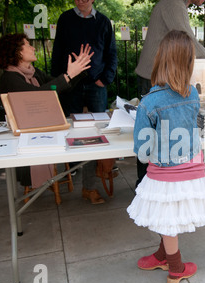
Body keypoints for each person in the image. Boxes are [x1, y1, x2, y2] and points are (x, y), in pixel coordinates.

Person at [127, 30, 205, 283]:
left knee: (166, 216)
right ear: (189, 62)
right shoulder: (192, 93)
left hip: (165, 172)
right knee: (167, 214)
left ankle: (176, 267)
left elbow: (143, 150)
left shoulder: (149, 102)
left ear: (160, 59)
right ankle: (162, 255)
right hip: (192, 167)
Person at [134, 0, 205, 186]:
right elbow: (188, 41)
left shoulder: (174, 4)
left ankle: (150, 182)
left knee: (155, 134)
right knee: (159, 133)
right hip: (155, 78)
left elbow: (142, 147)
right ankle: (146, 182)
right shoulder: (174, 3)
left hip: (158, 78)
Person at [0, 33, 93, 191]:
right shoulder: (10, 78)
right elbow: (39, 96)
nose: (33, 47)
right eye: (28, 44)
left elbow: (56, 87)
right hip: (26, 135)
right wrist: (68, 75)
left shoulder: (33, 72)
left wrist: (78, 70)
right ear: (16, 51)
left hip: (43, 126)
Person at [51, 0, 118, 204]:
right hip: (71, 85)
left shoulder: (104, 22)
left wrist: (105, 79)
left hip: (96, 86)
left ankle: (91, 185)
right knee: (71, 131)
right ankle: (71, 172)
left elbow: (111, 53)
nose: (82, 0)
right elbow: (57, 52)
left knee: (99, 133)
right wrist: (58, 82)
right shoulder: (65, 19)